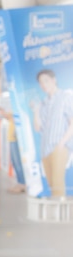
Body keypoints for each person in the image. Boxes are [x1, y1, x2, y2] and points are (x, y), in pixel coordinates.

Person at [32, 69, 73, 198]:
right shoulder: (43, 104)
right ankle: (59, 212)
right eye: (41, 82)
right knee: (52, 185)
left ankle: (62, 216)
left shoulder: (65, 97)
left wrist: (62, 142)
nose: (44, 85)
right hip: (45, 149)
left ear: (54, 80)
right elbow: (38, 128)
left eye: (46, 81)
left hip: (59, 147)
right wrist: (36, 111)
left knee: (57, 183)